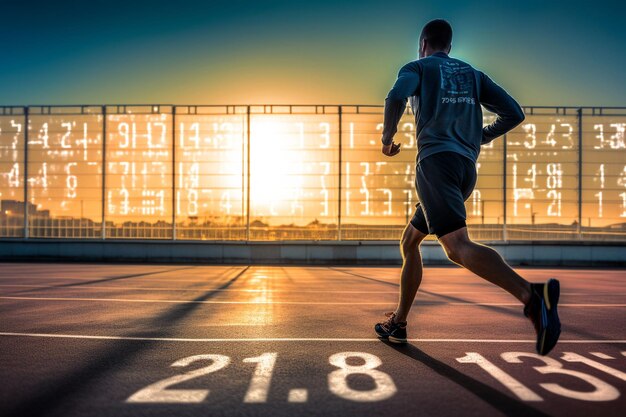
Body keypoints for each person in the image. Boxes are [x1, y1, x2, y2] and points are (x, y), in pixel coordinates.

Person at [374, 19, 561, 356]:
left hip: (436, 166)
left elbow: (396, 96)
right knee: (410, 239)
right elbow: (514, 113)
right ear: (450, 45)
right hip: (464, 170)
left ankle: (533, 298)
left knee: (456, 247)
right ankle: (399, 322)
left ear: (423, 43)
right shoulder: (473, 75)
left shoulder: (418, 66)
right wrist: (478, 137)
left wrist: (387, 140)